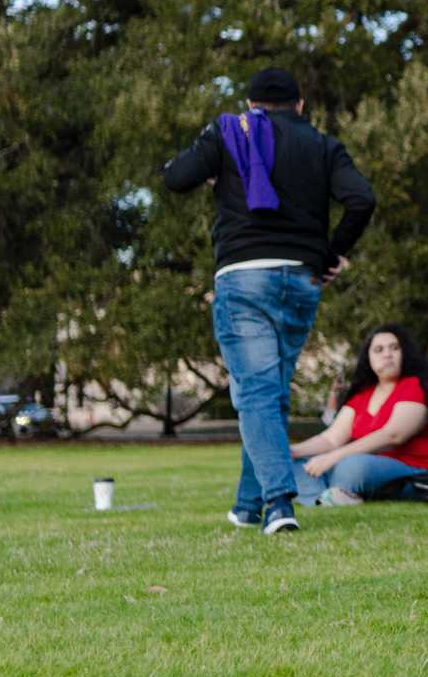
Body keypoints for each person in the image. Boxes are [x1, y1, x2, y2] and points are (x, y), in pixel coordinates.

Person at [161, 67, 377, 535]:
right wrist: (331, 252)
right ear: (300, 106)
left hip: (244, 277)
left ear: (252, 105)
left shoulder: (230, 134)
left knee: (258, 394)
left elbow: (176, 178)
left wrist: (211, 153)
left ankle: (280, 503)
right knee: (268, 395)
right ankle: (247, 505)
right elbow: (361, 199)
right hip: (301, 279)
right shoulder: (322, 145)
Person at [291, 323, 428, 504]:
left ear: (406, 353)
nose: (387, 354)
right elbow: (331, 439)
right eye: (378, 350)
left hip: (415, 473)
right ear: (368, 358)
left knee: (351, 466)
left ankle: (333, 495)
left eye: (394, 348)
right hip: (366, 472)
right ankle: (322, 500)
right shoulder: (362, 396)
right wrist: (292, 451)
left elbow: (394, 435)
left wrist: (332, 457)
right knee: (292, 465)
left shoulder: (418, 385)